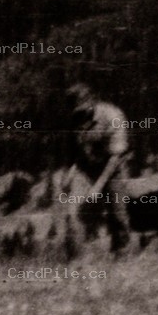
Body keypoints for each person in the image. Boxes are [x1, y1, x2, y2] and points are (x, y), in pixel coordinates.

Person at [67, 82, 131, 250]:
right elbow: (77, 151)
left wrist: (98, 186)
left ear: (92, 102)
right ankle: (77, 257)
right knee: (74, 212)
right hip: (87, 166)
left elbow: (115, 157)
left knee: (118, 213)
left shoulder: (113, 116)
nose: (80, 118)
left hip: (113, 167)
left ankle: (121, 255)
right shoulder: (75, 118)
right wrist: (70, 174)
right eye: (76, 113)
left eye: (82, 111)